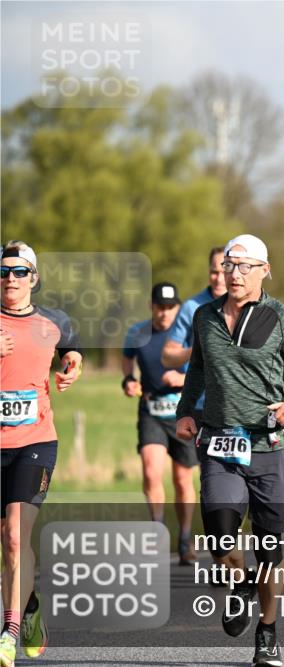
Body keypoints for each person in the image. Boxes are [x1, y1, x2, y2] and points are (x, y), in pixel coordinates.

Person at [175, 234, 284, 667]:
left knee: (268, 548)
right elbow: (198, 369)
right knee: (221, 537)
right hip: (220, 444)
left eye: (245, 266)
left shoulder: (280, 317)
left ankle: (267, 631)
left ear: (265, 270)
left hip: (268, 447)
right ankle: (242, 583)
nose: (236, 273)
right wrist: (186, 411)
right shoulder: (205, 316)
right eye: (230, 265)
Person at [0, 241, 82, 667]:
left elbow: (71, 348)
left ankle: (8, 631)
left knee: (16, 536)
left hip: (35, 442)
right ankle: (30, 610)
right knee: (6, 545)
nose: (10, 279)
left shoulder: (54, 320)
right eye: (4, 271)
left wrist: (74, 364)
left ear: (33, 277)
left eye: (19, 271)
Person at [122, 282, 197, 564]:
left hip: (184, 411)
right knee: (152, 472)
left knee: (182, 479)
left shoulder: (188, 335)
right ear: (151, 306)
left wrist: (182, 379)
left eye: (170, 307)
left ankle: (185, 539)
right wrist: (128, 380)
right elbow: (127, 359)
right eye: (159, 307)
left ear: (177, 308)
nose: (165, 313)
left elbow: (209, 367)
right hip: (152, 409)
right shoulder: (138, 332)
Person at [161, 246, 227, 422]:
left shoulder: (249, 307)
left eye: (224, 271)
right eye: (214, 272)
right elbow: (168, 356)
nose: (219, 279)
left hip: (237, 407)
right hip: (200, 408)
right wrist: (197, 349)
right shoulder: (192, 307)